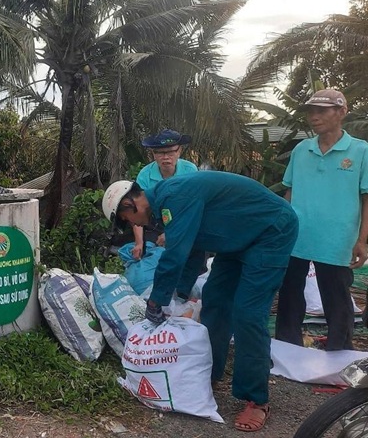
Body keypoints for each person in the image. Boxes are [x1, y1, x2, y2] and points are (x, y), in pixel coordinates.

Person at [101, 171, 298, 432]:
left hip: (271, 231)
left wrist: (156, 301)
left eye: (127, 219)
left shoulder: (174, 197)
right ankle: (210, 374)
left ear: (130, 204)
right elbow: (193, 248)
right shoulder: (165, 206)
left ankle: (256, 399)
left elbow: (176, 254)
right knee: (215, 301)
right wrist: (181, 294)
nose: (133, 225)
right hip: (238, 238)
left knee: (248, 313)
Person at [275, 89, 368, 351]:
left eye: (322, 111)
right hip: (298, 236)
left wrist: (362, 240)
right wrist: (280, 229)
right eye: (311, 112)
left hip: (337, 239)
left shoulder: (360, 151)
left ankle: (340, 352)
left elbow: (366, 198)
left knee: (336, 298)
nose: (314, 117)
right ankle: (288, 350)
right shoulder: (301, 150)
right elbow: (289, 192)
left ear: (342, 112)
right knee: (290, 295)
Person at [131, 129, 197, 259]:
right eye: (160, 153)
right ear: (153, 154)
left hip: (184, 219)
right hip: (156, 222)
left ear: (179, 151)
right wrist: (139, 243)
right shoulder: (145, 175)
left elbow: (193, 208)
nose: (166, 157)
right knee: (149, 254)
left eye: (171, 152)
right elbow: (138, 211)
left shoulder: (190, 170)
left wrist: (171, 233)